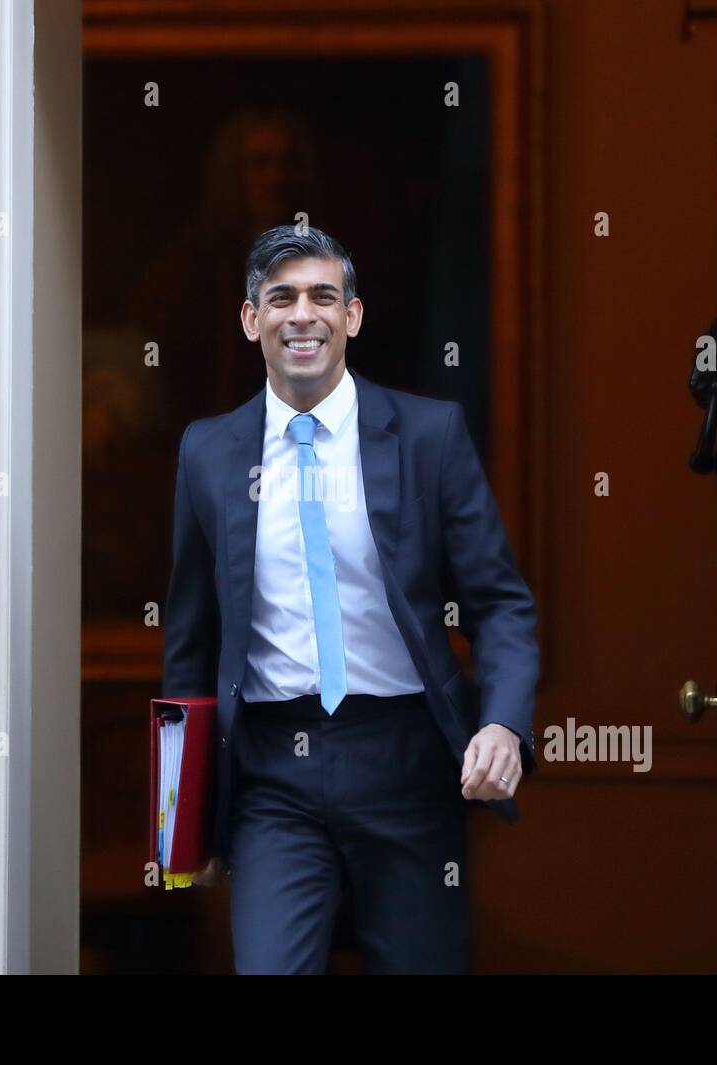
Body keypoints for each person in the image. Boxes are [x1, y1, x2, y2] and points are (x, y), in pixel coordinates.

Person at [161, 224, 539, 973]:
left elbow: (500, 602)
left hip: (405, 760)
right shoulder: (208, 451)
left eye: (322, 296)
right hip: (271, 775)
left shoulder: (428, 435)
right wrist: (182, 822)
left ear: (353, 315)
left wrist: (501, 721)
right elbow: (189, 641)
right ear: (251, 319)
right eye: (281, 298)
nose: (303, 314)